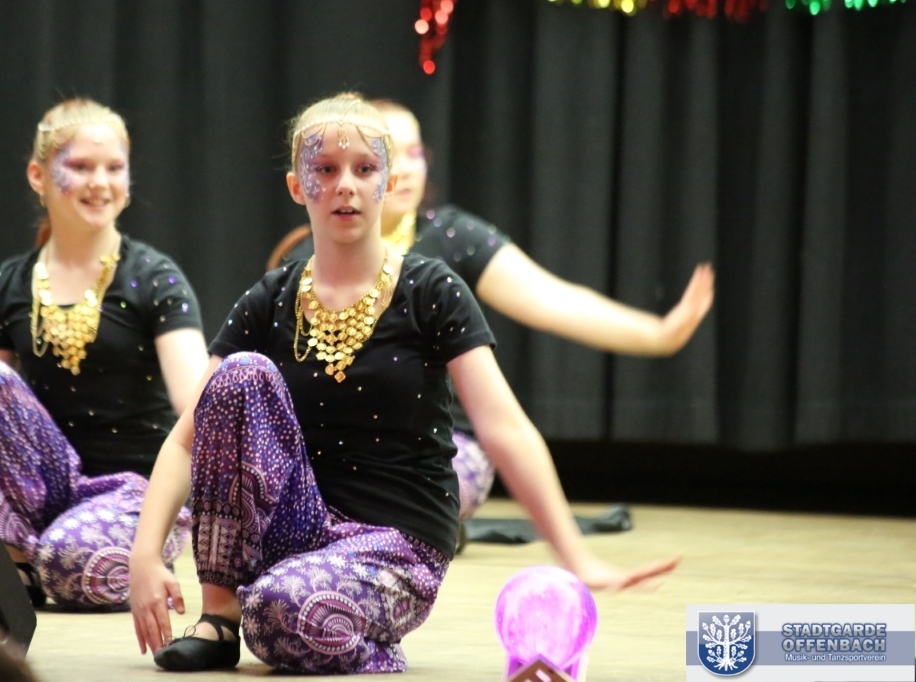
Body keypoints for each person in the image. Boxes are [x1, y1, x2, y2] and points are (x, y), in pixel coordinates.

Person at [129, 93, 678, 674]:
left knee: (278, 609)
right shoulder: (269, 298)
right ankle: (219, 618)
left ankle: (351, 637)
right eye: (325, 169)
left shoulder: (432, 290)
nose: (346, 186)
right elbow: (188, 438)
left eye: (365, 169)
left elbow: (504, 428)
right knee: (239, 375)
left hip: (398, 541)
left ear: (387, 183)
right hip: (300, 529)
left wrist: (577, 556)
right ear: (297, 186)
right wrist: (145, 553)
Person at [274, 100, 715, 521]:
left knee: (391, 491)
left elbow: (552, 299)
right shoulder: (307, 259)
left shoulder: (453, 238)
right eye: (389, 154)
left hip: (440, 448)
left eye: (416, 152)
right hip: (339, 447)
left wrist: (659, 334)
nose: (407, 168)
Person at [0, 99, 209, 610]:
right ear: (38, 176)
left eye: (114, 168)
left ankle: (55, 560)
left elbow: (196, 409)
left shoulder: (156, 278)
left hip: (132, 494)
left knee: (67, 560)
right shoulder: (9, 284)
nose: (100, 183)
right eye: (81, 167)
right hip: (48, 491)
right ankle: (15, 558)